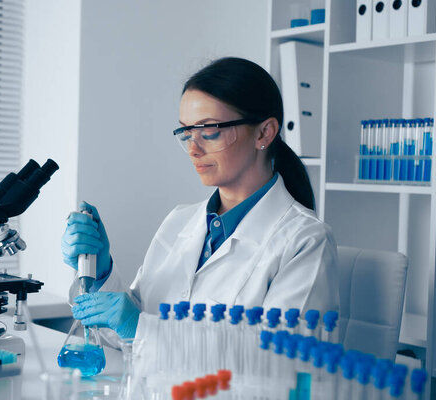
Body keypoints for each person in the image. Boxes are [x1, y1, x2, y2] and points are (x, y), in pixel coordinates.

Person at [62, 57, 339, 340]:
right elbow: (130, 336)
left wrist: (143, 330)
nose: (193, 149)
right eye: (186, 132)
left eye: (209, 131)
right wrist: (99, 271)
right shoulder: (179, 221)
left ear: (263, 133)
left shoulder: (305, 241)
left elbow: (280, 366)